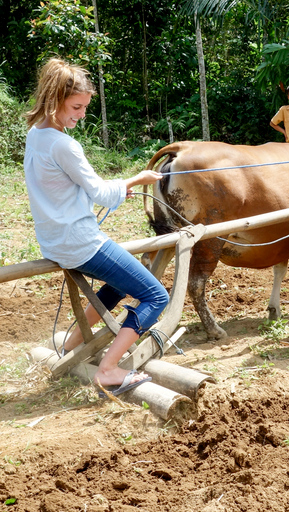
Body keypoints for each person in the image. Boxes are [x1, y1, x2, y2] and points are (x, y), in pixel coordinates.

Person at [24, 58, 168, 396]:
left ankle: (74, 343)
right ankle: (108, 369)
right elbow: (100, 191)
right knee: (156, 296)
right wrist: (138, 178)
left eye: (85, 107)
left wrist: (119, 186)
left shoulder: (37, 134)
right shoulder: (64, 144)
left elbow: (74, 184)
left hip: (55, 239)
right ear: (53, 99)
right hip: (79, 241)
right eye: (76, 106)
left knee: (118, 285)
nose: (81, 114)